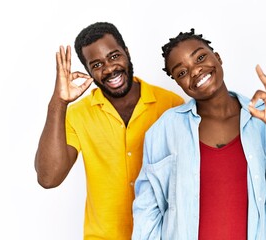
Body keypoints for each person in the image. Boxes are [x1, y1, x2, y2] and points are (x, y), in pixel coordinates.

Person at [132, 28, 266, 240]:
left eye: (200, 57)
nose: (195, 71)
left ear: (218, 58)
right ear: (177, 83)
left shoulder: (261, 119)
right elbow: (147, 211)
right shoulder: (164, 129)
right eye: (182, 72)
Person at [34, 22, 184, 240]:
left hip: (162, 234)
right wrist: (58, 102)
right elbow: (48, 178)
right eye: (96, 64)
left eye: (114, 56)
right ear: (87, 72)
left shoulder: (171, 104)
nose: (109, 68)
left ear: (127, 53)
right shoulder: (77, 114)